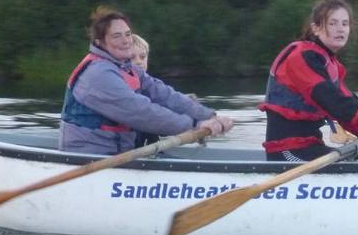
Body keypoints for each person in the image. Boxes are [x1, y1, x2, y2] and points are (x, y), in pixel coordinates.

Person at [260, 0, 358, 161]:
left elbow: (351, 113)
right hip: (287, 152)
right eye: (332, 23)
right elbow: (338, 105)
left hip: (312, 147)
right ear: (315, 28)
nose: (340, 29)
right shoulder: (301, 57)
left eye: (345, 24)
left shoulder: (328, 64)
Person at [59, 9, 233, 154]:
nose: (126, 40)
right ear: (100, 42)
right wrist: (196, 125)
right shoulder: (98, 75)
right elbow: (141, 112)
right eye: (116, 36)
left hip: (119, 153)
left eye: (127, 34)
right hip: (90, 155)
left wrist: (209, 116)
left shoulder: (127, 68)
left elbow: (165, 95)